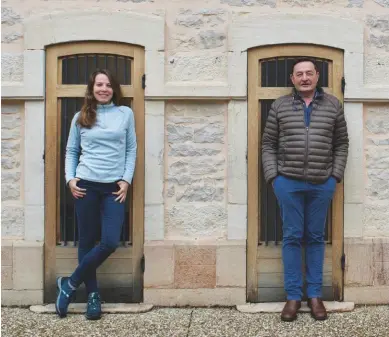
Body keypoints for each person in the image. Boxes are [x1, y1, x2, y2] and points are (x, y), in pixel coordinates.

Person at [262, 58, 349, 321]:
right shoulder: (280, 105)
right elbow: (268, 144)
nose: (304, 78)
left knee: (314, 237)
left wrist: (334, 176)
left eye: (309, 73)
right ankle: (292, 297)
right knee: (291, 237)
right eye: (299, 74)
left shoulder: (333, 105)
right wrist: (274, 178)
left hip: (322, 182)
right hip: (288, 182)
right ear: (292, 79)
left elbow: (342, 144)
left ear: (317, 76)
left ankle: (314, 295)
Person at [56, 69, 137, 320]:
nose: (103, 89)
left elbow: (131, 149)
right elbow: (71, 151)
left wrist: (126, 179)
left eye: (108, 85)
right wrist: (70, 179)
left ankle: (69, 284)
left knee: (110, 241)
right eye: (99, 85)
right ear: (92, 89)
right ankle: (92, 295)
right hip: (86, 187)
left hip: (113, 188)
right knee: (87, 240)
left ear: (114, 89)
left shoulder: (125, 114)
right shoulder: (81, 117)